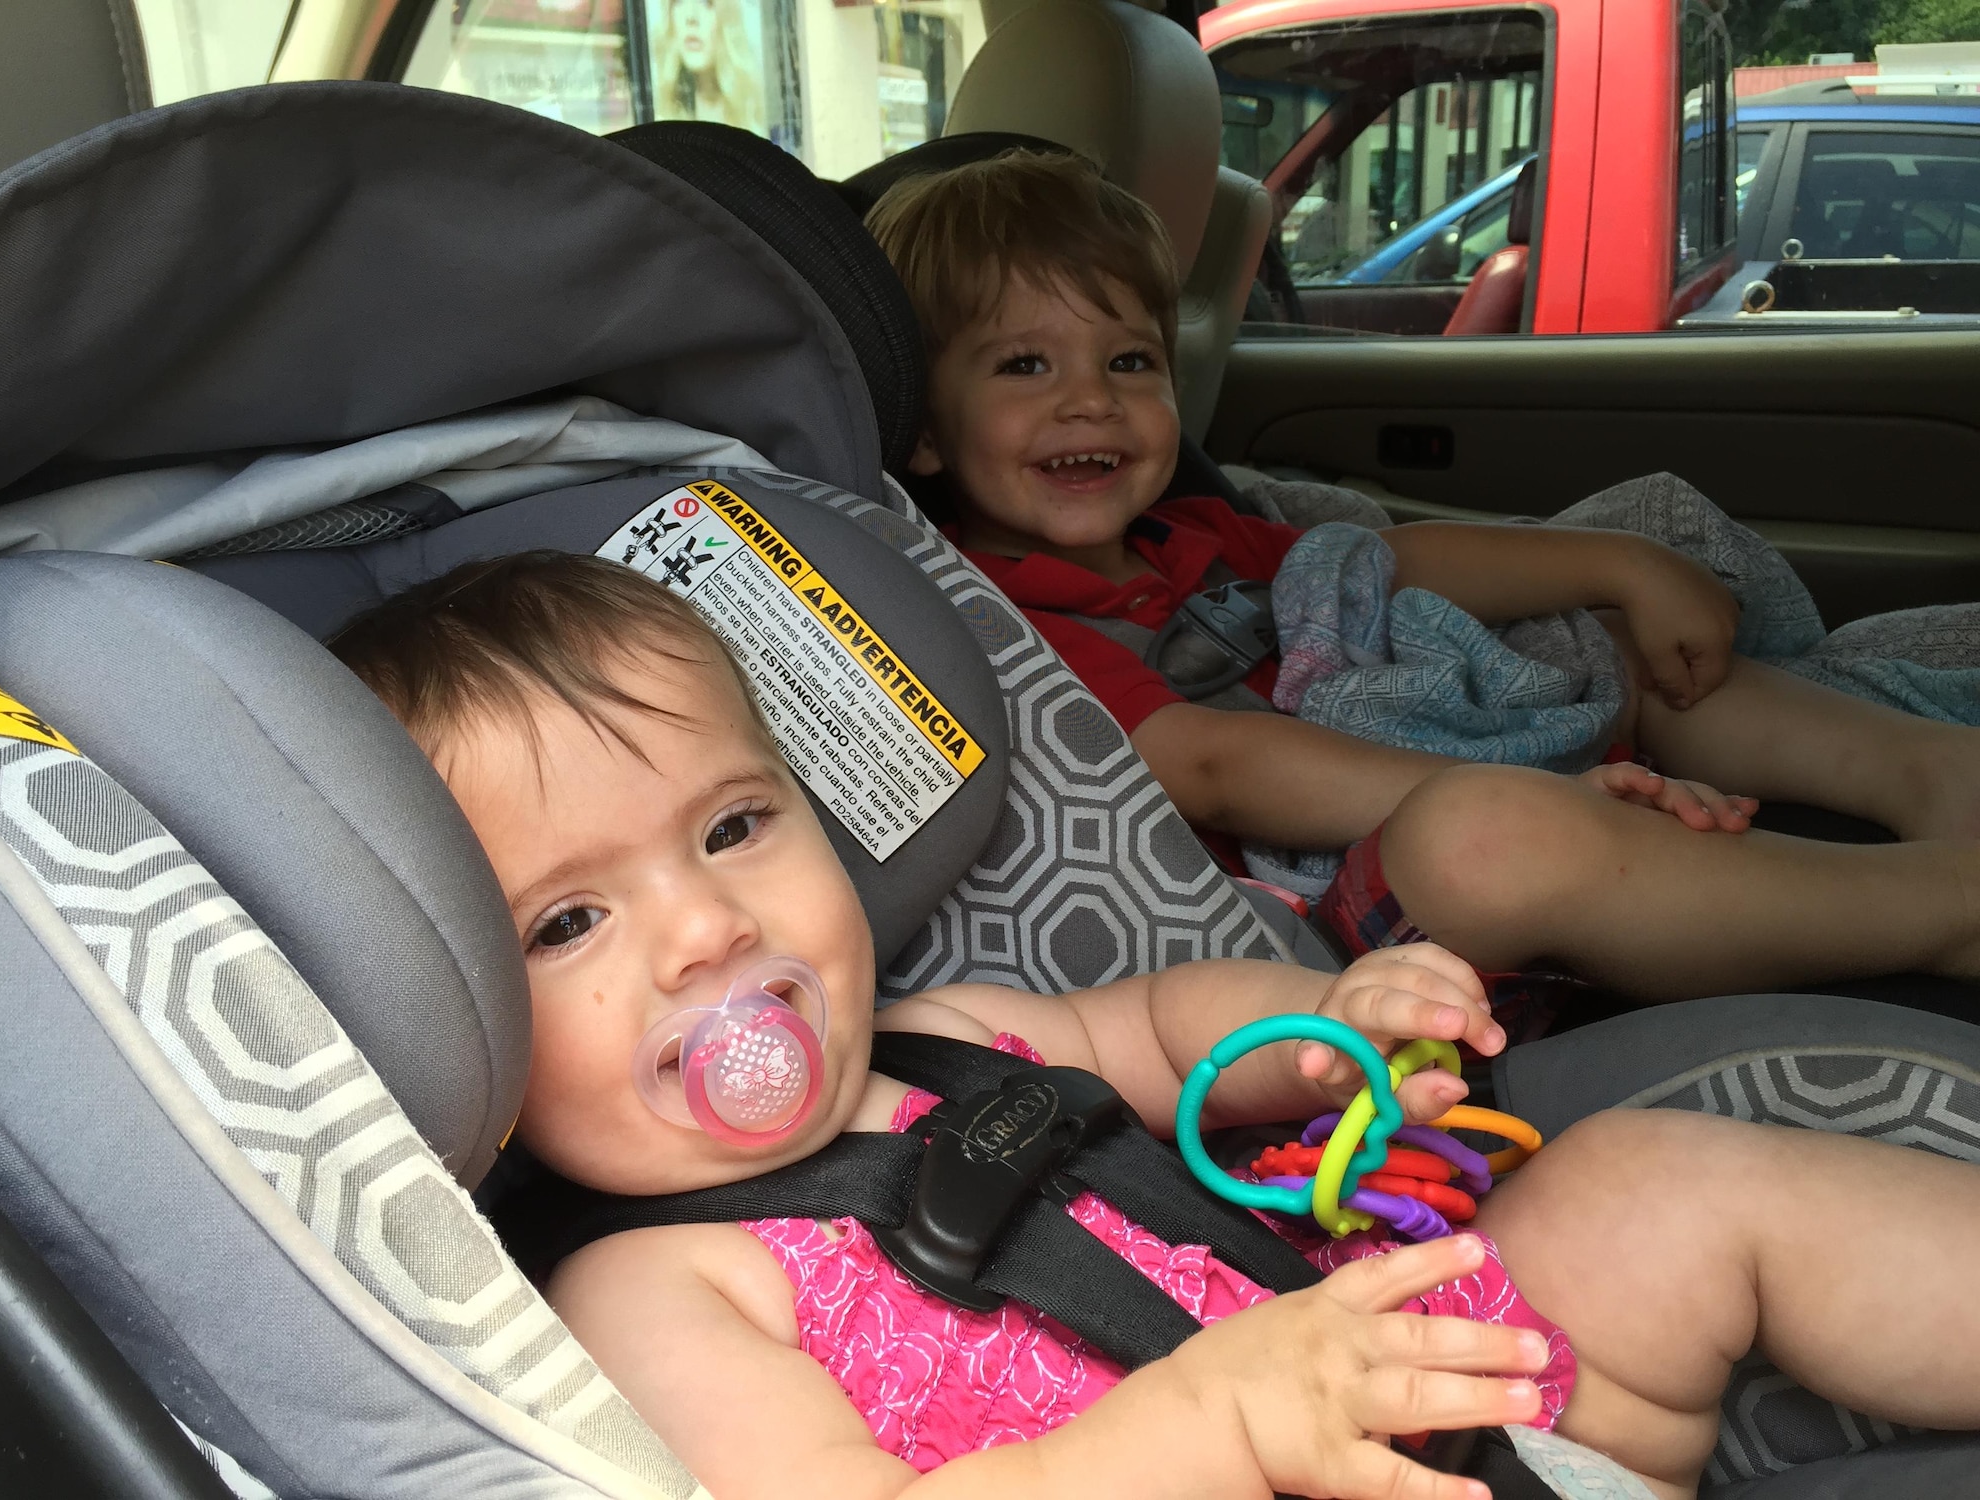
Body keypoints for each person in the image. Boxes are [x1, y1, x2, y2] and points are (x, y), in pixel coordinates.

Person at [331, 552, 1980, 1500]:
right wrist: (1208, 1426)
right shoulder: (648, 1288)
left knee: (1654, 1192)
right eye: (569, 923)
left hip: (1426, 1372)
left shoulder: (946, 1028)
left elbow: (1161, 1028)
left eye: (735, 828)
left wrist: (1329, 1026)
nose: (708, 929)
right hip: (1225, 1454)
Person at [864, 150, 1980, 1003]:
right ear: (922, 435)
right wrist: (1524, 786)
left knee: (1593, 639)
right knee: (1489, 837)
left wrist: (1618, 562)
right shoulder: (996, 620)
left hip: (1454, 788)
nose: (1090, 400)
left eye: (1128, 361)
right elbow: (1210, 764)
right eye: (1023, 365)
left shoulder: (1188, 535)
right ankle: (1932, 911)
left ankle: (1920, 773)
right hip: (1313, 931)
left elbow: (1372, 568)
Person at [652, 0, 762, 130]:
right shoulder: (656, 119)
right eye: (679, 1)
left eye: (705, 2)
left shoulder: (756, 113)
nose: (691, 17)